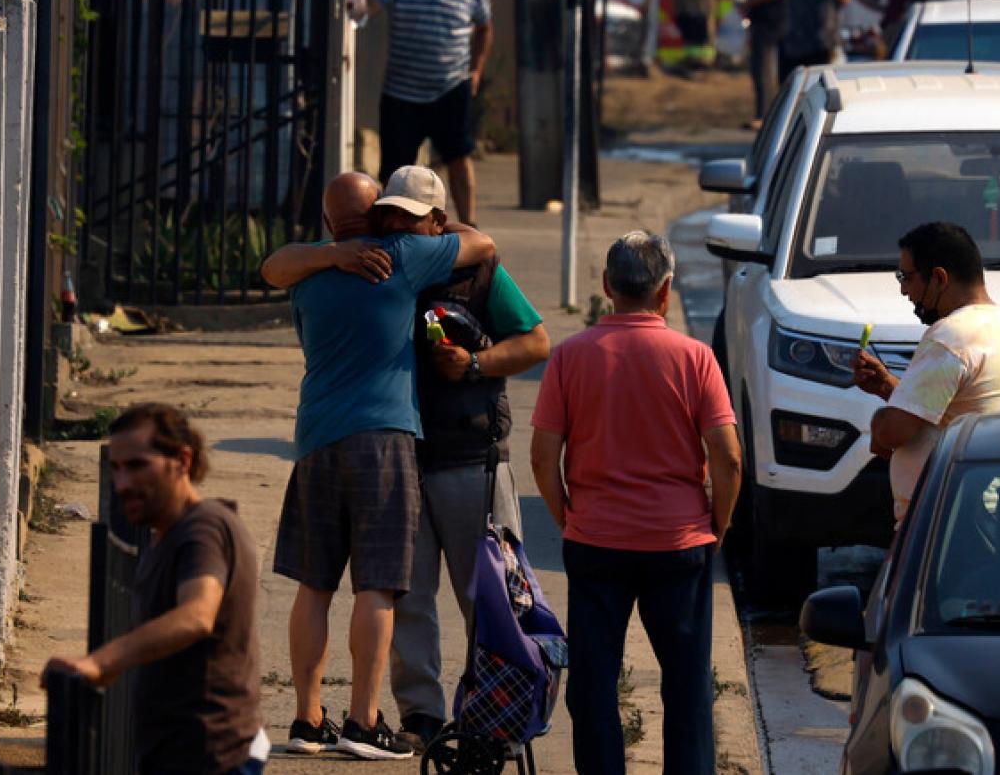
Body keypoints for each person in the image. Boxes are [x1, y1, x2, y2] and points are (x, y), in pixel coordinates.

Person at [264, 166, 551, 753]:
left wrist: (333, 251)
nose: (395, 225)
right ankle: (383, 720)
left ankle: (310, 718)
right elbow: (482, 239)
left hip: (353, 441)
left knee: (325, 586)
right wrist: (362, 247)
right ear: (370, 220)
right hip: (389, 444)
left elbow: (273, 266)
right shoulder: (396, 258)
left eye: (407, 217)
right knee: (388, 588)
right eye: (386, 214)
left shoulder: (317, 271)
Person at [529, 231, 742, 775]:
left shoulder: (570, 357)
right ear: (665, 291)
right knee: (688, 687)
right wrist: (720, 522)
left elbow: (542, 457)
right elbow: (727, 457)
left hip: (596, 543)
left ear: (606, 286)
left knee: (595, 686)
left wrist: (568, 517)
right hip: (679, 543)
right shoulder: (695, 357)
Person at [40, 403, 268, 775]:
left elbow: (196, 616)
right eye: (116, 469)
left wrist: (102, 660)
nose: (123, 484)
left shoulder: (203, 530)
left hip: (210, 758)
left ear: (181, 460)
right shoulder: (170, 534)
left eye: (137, 466)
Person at [852, 222, 1000, 525]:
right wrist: (888, 388)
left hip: (944, 516)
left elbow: (892, 431)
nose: (903, 289)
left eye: (906, 277)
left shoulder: (952, 336)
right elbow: (952, 410)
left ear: (938, 277)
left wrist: (879, 421)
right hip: (977, 505)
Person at [346, 0, 492, 226]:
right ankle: (389, 226)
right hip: (402, 90)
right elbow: (369, 6)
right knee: (395, 168)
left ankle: (468, 225)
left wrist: (476, 70)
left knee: (459, 156)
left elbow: (484, 28)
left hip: (450, 87)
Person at [741, 0, 787, 128]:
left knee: (762, 71)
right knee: (768, 71)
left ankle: (763, 116)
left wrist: (750, 3)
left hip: (768, 24)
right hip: (775, 23)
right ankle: (767, 114)